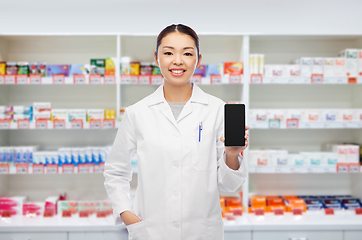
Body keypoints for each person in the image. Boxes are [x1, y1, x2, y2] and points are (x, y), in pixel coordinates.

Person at [104, 24, 248, 240]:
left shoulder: (217, 110)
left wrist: (232, 155)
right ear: (156, 58)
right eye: (169, 52)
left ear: (198, 60)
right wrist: (126, 214)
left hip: (201, 232)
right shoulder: (137, 113)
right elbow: (116, 171)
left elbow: (229, 184)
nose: (178, 60)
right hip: (152, 231)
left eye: (187, 53)